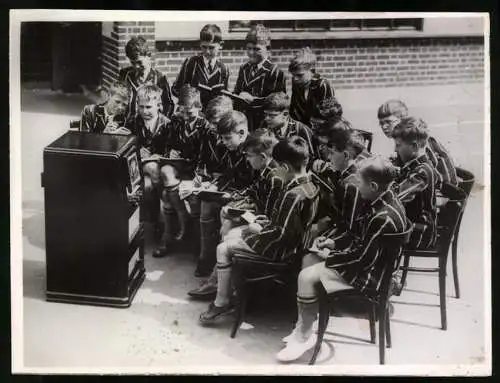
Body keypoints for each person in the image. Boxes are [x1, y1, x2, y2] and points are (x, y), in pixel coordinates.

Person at [276, 156, 408, 362]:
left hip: (372, 278)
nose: (356, 186)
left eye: (360, 182)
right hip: (372, 265)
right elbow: (363, 241)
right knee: (310, 260)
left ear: (373, 186)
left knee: (305, 276)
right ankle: (304, 325)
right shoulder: (384, 200)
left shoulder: (381, 217)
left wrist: (331, 257)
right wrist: (334, 244)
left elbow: (362, 260)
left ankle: (305, 336)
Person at [199, 136, 319, 323]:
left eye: (278, 167)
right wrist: (266, 222)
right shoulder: (310, 186)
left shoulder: (292, 195)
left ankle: (222, 301)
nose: (276, 171)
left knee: (223, 248)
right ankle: (230, 292)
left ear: (285, 168)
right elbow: (288, 225)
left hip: (281, 251)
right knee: (232, 238)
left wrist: (255, 229)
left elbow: (283, 235)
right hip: (295, 248)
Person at [188, 129, 286, 300]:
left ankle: (218, 282)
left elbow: (269, 215)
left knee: (228, 226)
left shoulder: (274, 177)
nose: (247, 160)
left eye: (249, 156)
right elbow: (253, 191)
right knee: (226, 215)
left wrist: (241, 213)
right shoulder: (266, 171)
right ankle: (219, 280)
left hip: (267, 229)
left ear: (262, 157)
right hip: (260, 218)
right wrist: (233, 199)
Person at [180, 110, 254, 278]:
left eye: (227, 138)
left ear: (242, 133)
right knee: (206, 202)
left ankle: (215, 271)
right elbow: (228, 174)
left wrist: (231, 195)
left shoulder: (252, 150)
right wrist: (213, 186)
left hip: (247, 199)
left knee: (222, 212)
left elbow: (255, 184)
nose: (222, 142)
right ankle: (206, 259)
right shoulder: (233, 147)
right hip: (234, 193)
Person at [152, 85, 211, 258]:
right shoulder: (176, 121)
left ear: (199, 108)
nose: (185, 117)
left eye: (190, 113)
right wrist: (171, 152)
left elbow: (204, 157)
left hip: (195, 172)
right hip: (177, 167)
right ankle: (183, 219)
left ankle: (169, 238)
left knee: (168, 195)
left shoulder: (205, 127)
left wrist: (194, 178)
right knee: (166, 171)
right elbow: (168, 142)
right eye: (182, 111)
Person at [307, 121, 369, 267]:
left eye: (332, 154)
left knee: (307, 247)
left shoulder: (351, 184)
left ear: (346, 155)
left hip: (349, 242)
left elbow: (351, 229)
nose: (328, 159)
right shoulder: (347, 176)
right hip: (340, 232)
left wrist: (330, 242)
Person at [377, 99, 458, 186]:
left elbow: (435, 169)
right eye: (381, 123)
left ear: (403, 121)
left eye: (388, 122)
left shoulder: (421, 140)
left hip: (440, 188)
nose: (384, 127)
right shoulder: (402, 142)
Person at [125, 84, 171, 233]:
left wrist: (160, 155)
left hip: (159, 167)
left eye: (149, 107)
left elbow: (171, 148)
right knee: (149, 177)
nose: (144, 111)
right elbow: (126, 147)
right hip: (137, 166)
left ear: (159, 106)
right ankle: (160, 214)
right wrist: (137, 152)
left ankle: (156, 219)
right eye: (141, 107)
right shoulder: (132, 122)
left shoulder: (167, 124)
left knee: (149, 185)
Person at [392, 117, 440, 250]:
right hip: (412, 225)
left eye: (398, 145)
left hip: (420, 233)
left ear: (414, 146)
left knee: (376, 229)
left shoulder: (422, 172)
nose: (395, 150)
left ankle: (381, 268)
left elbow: (397, 198)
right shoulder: (417, 165)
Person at [233, 24, 286, 131]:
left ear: (268, 49)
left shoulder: (275, 72)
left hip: (264, 124)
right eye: (249, 48)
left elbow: (279, 104)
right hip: (244, 123)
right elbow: (237, 92)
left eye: (257, 49)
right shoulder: (244, 68)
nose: (251, 53)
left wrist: (253, 100)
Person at [172, 24, 230, 111]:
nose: (207, 51)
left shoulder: (223, 69)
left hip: (212, 115)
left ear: (221, 45)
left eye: (211, 48)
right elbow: (176, 89)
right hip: (191, 113)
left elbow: (225, 97)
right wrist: (187, 94)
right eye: (204, 47)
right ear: (200, 44)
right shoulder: (191, 63)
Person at [119, 36, 175, 120]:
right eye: (132, 63)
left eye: (139, 62)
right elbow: (118, 98)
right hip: (127, 126)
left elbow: (168, 106)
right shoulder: (125, 74)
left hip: (150, 126)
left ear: (149, 55)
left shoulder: (160, 78)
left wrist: (161, 125)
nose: (136, 66)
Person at [260, 92, 319, 160]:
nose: (266, 118)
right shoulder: (264, 126)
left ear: (285, 115)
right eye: (265, 114)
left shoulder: (301, 130)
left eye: (271, 115)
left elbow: (312, 158)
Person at [289, 47, 335, 128]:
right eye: (293, 75)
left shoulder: (323, 85)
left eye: (300, 75)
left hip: (320, 129)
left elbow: (330, 115)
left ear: (312, 71)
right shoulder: (296, 82)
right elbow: (294, 109)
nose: (295, 79)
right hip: (302, 127)